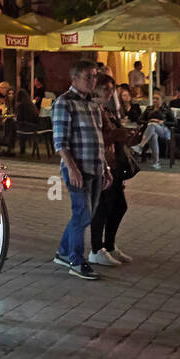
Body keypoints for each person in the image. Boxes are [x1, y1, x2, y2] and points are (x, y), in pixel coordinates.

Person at [52, 59, 111, 280]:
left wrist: (105, 166)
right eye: (89, 77)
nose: (93, 81)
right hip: (77, 168)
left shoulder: (93, 104)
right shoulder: (64, 102)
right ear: (75, 78)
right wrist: (72, 168)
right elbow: (60, 142)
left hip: (95, 166)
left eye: (95, 76)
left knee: (86, 215)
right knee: (82, 213)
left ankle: (63, 251)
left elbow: (99, 140)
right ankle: (76, 260)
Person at [90, 73, 136, 267]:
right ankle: (96, 249)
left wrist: (125, 135)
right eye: (106, 89)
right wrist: (115, 135)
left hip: (114, 163)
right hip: (101, 164)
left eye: (112, 89)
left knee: (119, 206)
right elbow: (94, 139)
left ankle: (109, 245)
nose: (111, 93)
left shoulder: (105, 110)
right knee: (102, 208)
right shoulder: (93, 110)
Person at [131, 91, 171, 168]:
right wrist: (149, 121)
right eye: (154, 98)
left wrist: (161, 121)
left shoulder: (166, 109)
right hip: (150, 130)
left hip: (164, 131)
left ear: (162, 100)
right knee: (153, 135)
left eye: (157, 98)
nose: (155, 100)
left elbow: (174, 122)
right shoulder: (149, 109)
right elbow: (139, 120)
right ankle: (156, 161)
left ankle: (140, 146)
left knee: (152, 126)